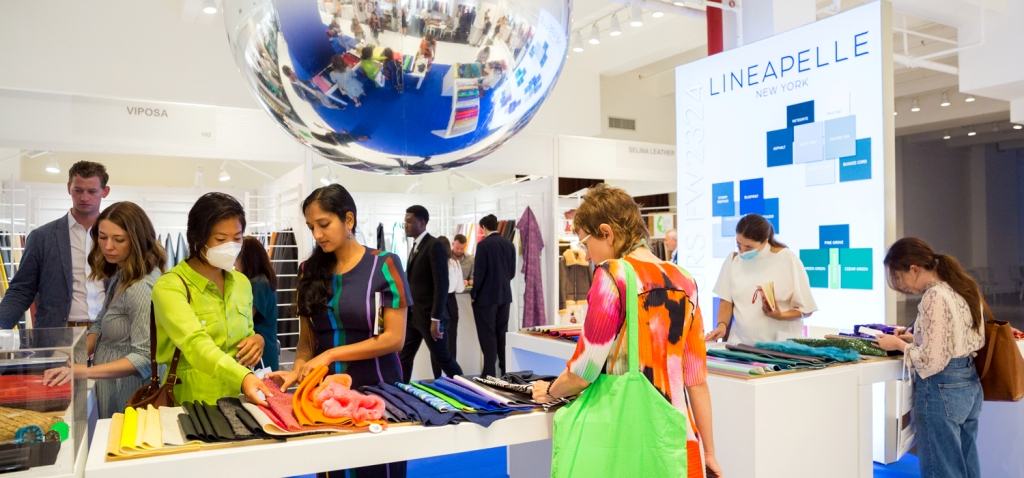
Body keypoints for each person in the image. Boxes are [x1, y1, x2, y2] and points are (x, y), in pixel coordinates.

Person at [530, 184, 721, 477]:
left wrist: (550, 390)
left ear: (607, 233)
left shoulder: (613, 274)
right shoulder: (685, 280)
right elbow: (696, 380)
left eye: (585, 243)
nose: (587, 255)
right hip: (681, 442)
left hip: (628, 439)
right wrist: (709, 452)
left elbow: (583, 372)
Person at [267, 184, 409, 478]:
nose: (317, 234)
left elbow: (394, 339)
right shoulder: (308, 270)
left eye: (324, 224)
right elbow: (306, 343)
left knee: (378, 468)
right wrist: (297, 371)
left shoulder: (384, 265)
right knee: (332, 469)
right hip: (325, 397)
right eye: (311, 227)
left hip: (377, 391)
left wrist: (330, 355)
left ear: (349, 219)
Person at [42, 202, 166, 419]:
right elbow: (100, 324)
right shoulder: (122, 275)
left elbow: (145, 357)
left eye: (119, 240)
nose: (108, 246)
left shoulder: (140, 287)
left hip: (131, 394)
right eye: (102, 237)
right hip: (115, 389)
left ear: (137, 240)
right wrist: (73, 359)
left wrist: (85, 371)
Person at [875, 238, 985, 478]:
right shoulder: (962, 287)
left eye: (899, 277)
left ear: (914, 269)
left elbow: (933, 361)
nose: (901, 286)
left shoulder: (934, 296)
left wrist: (897, 345)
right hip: (969, 384)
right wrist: (915, 339)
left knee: (941, 470)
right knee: (967, 465)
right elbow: (960, 339)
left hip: (942, 388)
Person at [152, 193, 272, 406]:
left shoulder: (242, 283)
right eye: (220, 239)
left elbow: (246, 333)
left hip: (241, 400)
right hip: (193, 402)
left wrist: (257, 339)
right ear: (198, 238)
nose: (231, 246)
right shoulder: (170, 286)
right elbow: (195, 344)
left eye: (237, 238)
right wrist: (242, 377)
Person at [0, 161, 109, 330]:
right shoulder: (42, 237)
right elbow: (22, 289)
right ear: (69, 188)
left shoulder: (119, 238)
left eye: (92, 191)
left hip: (108, 332)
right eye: (78, 190)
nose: (84, 197)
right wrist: (2, 323)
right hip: (57, 333)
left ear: (105, 191)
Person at [705, 214, 817, 344]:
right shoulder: (733, 260)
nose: (742, 251)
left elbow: (806, 310)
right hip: (739, 345)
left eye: (749, 247)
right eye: (739, 245)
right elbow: (726, 301)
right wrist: (722, 326)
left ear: (765, 241)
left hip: (778, 347)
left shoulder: (787, 259)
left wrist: (781, 316)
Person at [398, 206, 463, 381]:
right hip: (414, 316)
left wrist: (436, 319)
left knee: (443, 359)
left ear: (422, 223)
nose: (405, 225)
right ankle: (400, 391)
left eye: (409, 221)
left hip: (429, 318)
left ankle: (468, 389)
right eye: (405, 221)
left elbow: (441, 284)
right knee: (403, 357)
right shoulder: (416, 246)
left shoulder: (434, 245)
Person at [471, 214, 515, 378]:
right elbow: (511, 273)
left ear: (483, 227)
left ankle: (489, 373)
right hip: (505, 296)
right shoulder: (509, 244)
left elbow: (479, 273)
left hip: (486, 298)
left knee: (488, 335)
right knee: (502, 333)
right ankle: (505, 372)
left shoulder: (483, 246)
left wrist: (474, 293)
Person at [236, 236, 280, 372]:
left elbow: (245, 318)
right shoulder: (262, 280)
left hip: (259, 350)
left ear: (246, 259)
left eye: (237, 257)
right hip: (263, 347)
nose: (234, 262)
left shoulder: (258, 283)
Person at [430, 236, 464, 378]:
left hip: (438, 303)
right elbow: (460, 288)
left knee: (436, 344)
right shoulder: (455, 264)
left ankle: (437, 377)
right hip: (451, 303)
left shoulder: (434, 264)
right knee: (451, 342)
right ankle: (453, 378)